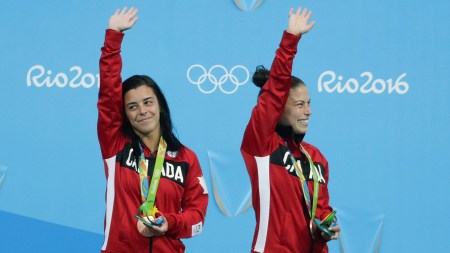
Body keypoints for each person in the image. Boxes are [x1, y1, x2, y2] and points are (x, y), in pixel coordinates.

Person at [97, 7, 208, 253]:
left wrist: (170, 222)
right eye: (132, 107)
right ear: (124, 114)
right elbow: (108, 95)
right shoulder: (116, 146)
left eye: (148, 102)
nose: (142, 111)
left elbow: (197, 217)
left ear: (160, 106)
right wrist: (113, 38)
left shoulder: (186, 158)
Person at [241, 7, 340, 253]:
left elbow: (321, 210)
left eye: (309, 104)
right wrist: (290, 41)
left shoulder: (316, 157)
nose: (308, 111)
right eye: (299, 105)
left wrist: (325, 227)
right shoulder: (262, 147)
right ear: (278, 110)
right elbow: (273, 95)